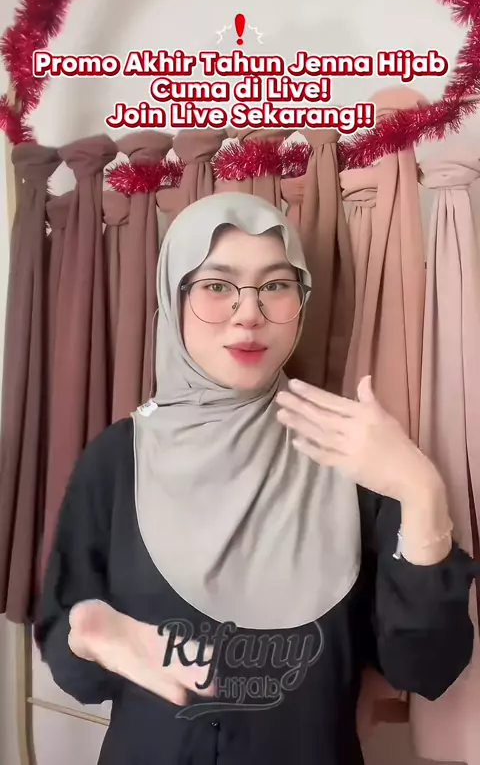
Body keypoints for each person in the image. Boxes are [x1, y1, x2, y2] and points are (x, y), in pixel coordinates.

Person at [35, 192, 477, 765]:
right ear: (174, 298)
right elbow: (74, 665)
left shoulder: (351, 453)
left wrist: (421, 494)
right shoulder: (118, 461)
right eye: (218, 285)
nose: (250, 313)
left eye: (276, 285)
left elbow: (426, 668)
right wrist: (86, 633)